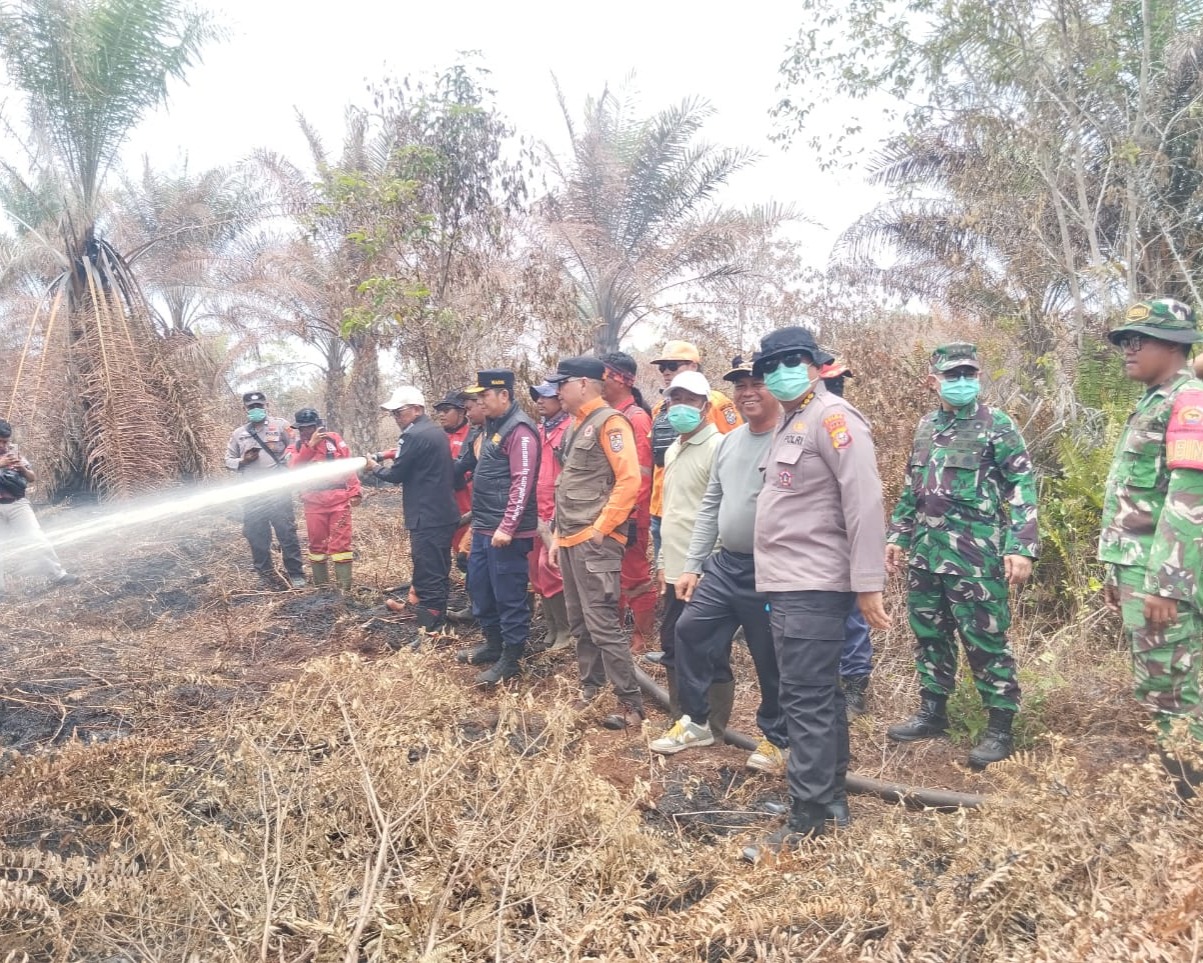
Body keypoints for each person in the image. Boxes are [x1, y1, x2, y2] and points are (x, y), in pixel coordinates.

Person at [747, 326, 890, 856]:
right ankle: (829, 800)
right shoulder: (793, 421)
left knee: (803, 698)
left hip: (813, 583)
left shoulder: (833, 418)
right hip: (789, 582)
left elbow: (864, 501)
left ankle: (806, 813)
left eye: (792, 360)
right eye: (772, 364)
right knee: (820, 694)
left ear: (814, 364)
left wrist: (868, 582)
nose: (780, 371)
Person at [885, 342, 1038, 769]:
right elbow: (912, 488)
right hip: (926, 554)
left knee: (985, 639)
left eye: (968, 375)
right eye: (952, 376)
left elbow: (1022, 486)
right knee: (929, 635)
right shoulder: (925, 427)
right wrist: (897, 534)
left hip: (976, 555)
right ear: (933, 381)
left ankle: (1000, 726)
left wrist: (1021, 546)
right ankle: (933, 712)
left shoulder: (997, 425)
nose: (962, 382)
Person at [650, 358, 794, 779]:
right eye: (740, 386)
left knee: (770, 658)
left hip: (772, 569)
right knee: (689, 630)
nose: (747, 392)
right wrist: (693, 565)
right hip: (725, 565)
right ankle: (696, 721)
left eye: (757, 384)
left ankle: (777, 737)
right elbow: (711, 504)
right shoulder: (732, 443)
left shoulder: (790, 439)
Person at [1098, 298, 1203, 798]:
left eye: (1138, 339)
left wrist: (1165, 585)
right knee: (1160, 687)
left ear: (1175, 344)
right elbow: (1135, 500)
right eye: (1124, 340)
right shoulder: (1156, 400)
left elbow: (1189, 500)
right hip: (1142, 573)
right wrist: (1117, 573)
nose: (1127, 349)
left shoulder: (1189, 401)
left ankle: (1188, 802)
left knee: (1176, 691)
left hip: (1166, 580)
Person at [547, 356, 645, 730]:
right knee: (580, 623)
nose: (559, 391)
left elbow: (629, 480)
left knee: (602, 622)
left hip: (595, 541)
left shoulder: (611, 423)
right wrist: (557, 537)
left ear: (585, 384)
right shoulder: (576, 426)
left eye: (563, 383)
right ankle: (590, 690)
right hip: (572, 538)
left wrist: (603, 528)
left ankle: (631, 705)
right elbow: (569, 487)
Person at [452, 370, 540, 685]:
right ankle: (493, 643)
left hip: (507, 533)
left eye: (484, 397)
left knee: (509, 594)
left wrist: (508, 525)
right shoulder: (490, 427)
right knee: (479, 586)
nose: (479, 403)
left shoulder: (521, 431)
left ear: (504, 395)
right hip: (486, 526)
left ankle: (512, 657)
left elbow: (523, 481)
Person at [648, 370, 723, 725]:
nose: (680, 407)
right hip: (676, 567)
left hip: (705, 570)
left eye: (689, 401)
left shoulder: (718, 447)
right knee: (673, 642)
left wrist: (710, 567)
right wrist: (663, 560)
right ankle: (683, 715)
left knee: (706, 648)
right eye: (674, 400)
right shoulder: (674, 448)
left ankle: (709, 723)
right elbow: (671, 513)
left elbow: (720, 512)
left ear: (705, 406)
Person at [365, 387, 459, 640]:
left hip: (427, 516)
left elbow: (395, 474)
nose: (396, 416)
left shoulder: (414, 435)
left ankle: (431, 629)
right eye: (393, 413)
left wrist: (375, 468)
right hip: (440, 513)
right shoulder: (434, 432)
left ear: (417, 409)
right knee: (436, 568)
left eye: (400, 411)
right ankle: (431, 617)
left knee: (429, 570)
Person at [647, 341, 741, 563]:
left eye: (672, 365)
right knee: (668, 578)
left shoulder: (716, 403)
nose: (666, 372)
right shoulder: (660, 408)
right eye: (662, 367)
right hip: (663, 508)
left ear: (693, 365)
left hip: (699, 512)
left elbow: (733, 448)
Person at [819, 356, 875, 715]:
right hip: (811, 538)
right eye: (831, 382)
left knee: (853, 612)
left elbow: (862, 490)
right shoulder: (800, 420)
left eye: (841, 382)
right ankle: (826, 679)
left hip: (844, 532)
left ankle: (855, 684)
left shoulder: (845, 421)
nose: (838, 389)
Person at [599, 351, 657, 652]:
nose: (599, 384)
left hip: (630, 515)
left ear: (620, 380)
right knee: (613, 575)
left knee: (635, 575)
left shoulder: (636, 419)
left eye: (604, 378)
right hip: (610, 513)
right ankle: (616, 631)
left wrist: (630, 516)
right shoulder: (609, 417)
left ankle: (641, 637)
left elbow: (642, 476)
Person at [224, 391, 306, 590]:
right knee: (256, 534)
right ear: (245, 409)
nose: (255, 410)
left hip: (278, 491)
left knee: (286, 532)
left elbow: (297, 447)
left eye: (259, 406)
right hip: (252, 494)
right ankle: (266, 576)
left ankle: (296, 574)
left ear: (266, 405)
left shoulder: (280, 426)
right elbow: (227, 460)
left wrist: (287, 462)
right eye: (251, 407)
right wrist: (243, 461)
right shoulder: (239, 434)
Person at [0, 420, 78, 594]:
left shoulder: (12, 451)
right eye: (1, 441)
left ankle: (58, 575)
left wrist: (21, 468)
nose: (4, 445)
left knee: (36, 539)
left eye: (6, 441)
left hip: (17, 504)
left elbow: (32, 477)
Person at [288, 408, 361, 590]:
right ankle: (322, 590)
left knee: (341, 545)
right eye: (303, 428)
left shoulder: (334, 440)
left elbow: (348, 466)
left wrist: (355, 490)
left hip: (338, 501)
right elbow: (293, 469)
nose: (307, 431)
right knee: (317, 545)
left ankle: (344, 590)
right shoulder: (296, 447)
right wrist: (309, 446)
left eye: (310, 427)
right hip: (313, 503)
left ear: (318, 425)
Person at [529, 379, 573, 651]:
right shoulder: (537, 431)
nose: (540, 401)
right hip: (535, 509)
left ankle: (567, 631)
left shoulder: (570, 430)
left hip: (557, 511)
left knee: (552, 568)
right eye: (537, 397)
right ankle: (552, 626)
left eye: (546, 396)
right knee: (535, 569)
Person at [435, 390, 474, 559]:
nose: (441, 415)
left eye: (446, 410)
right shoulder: (437, 436)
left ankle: (470, 578)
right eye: (440, 411)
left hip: (464, 497)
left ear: (461, 411)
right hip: (441, 498)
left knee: (464, 542)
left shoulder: (471, 435)